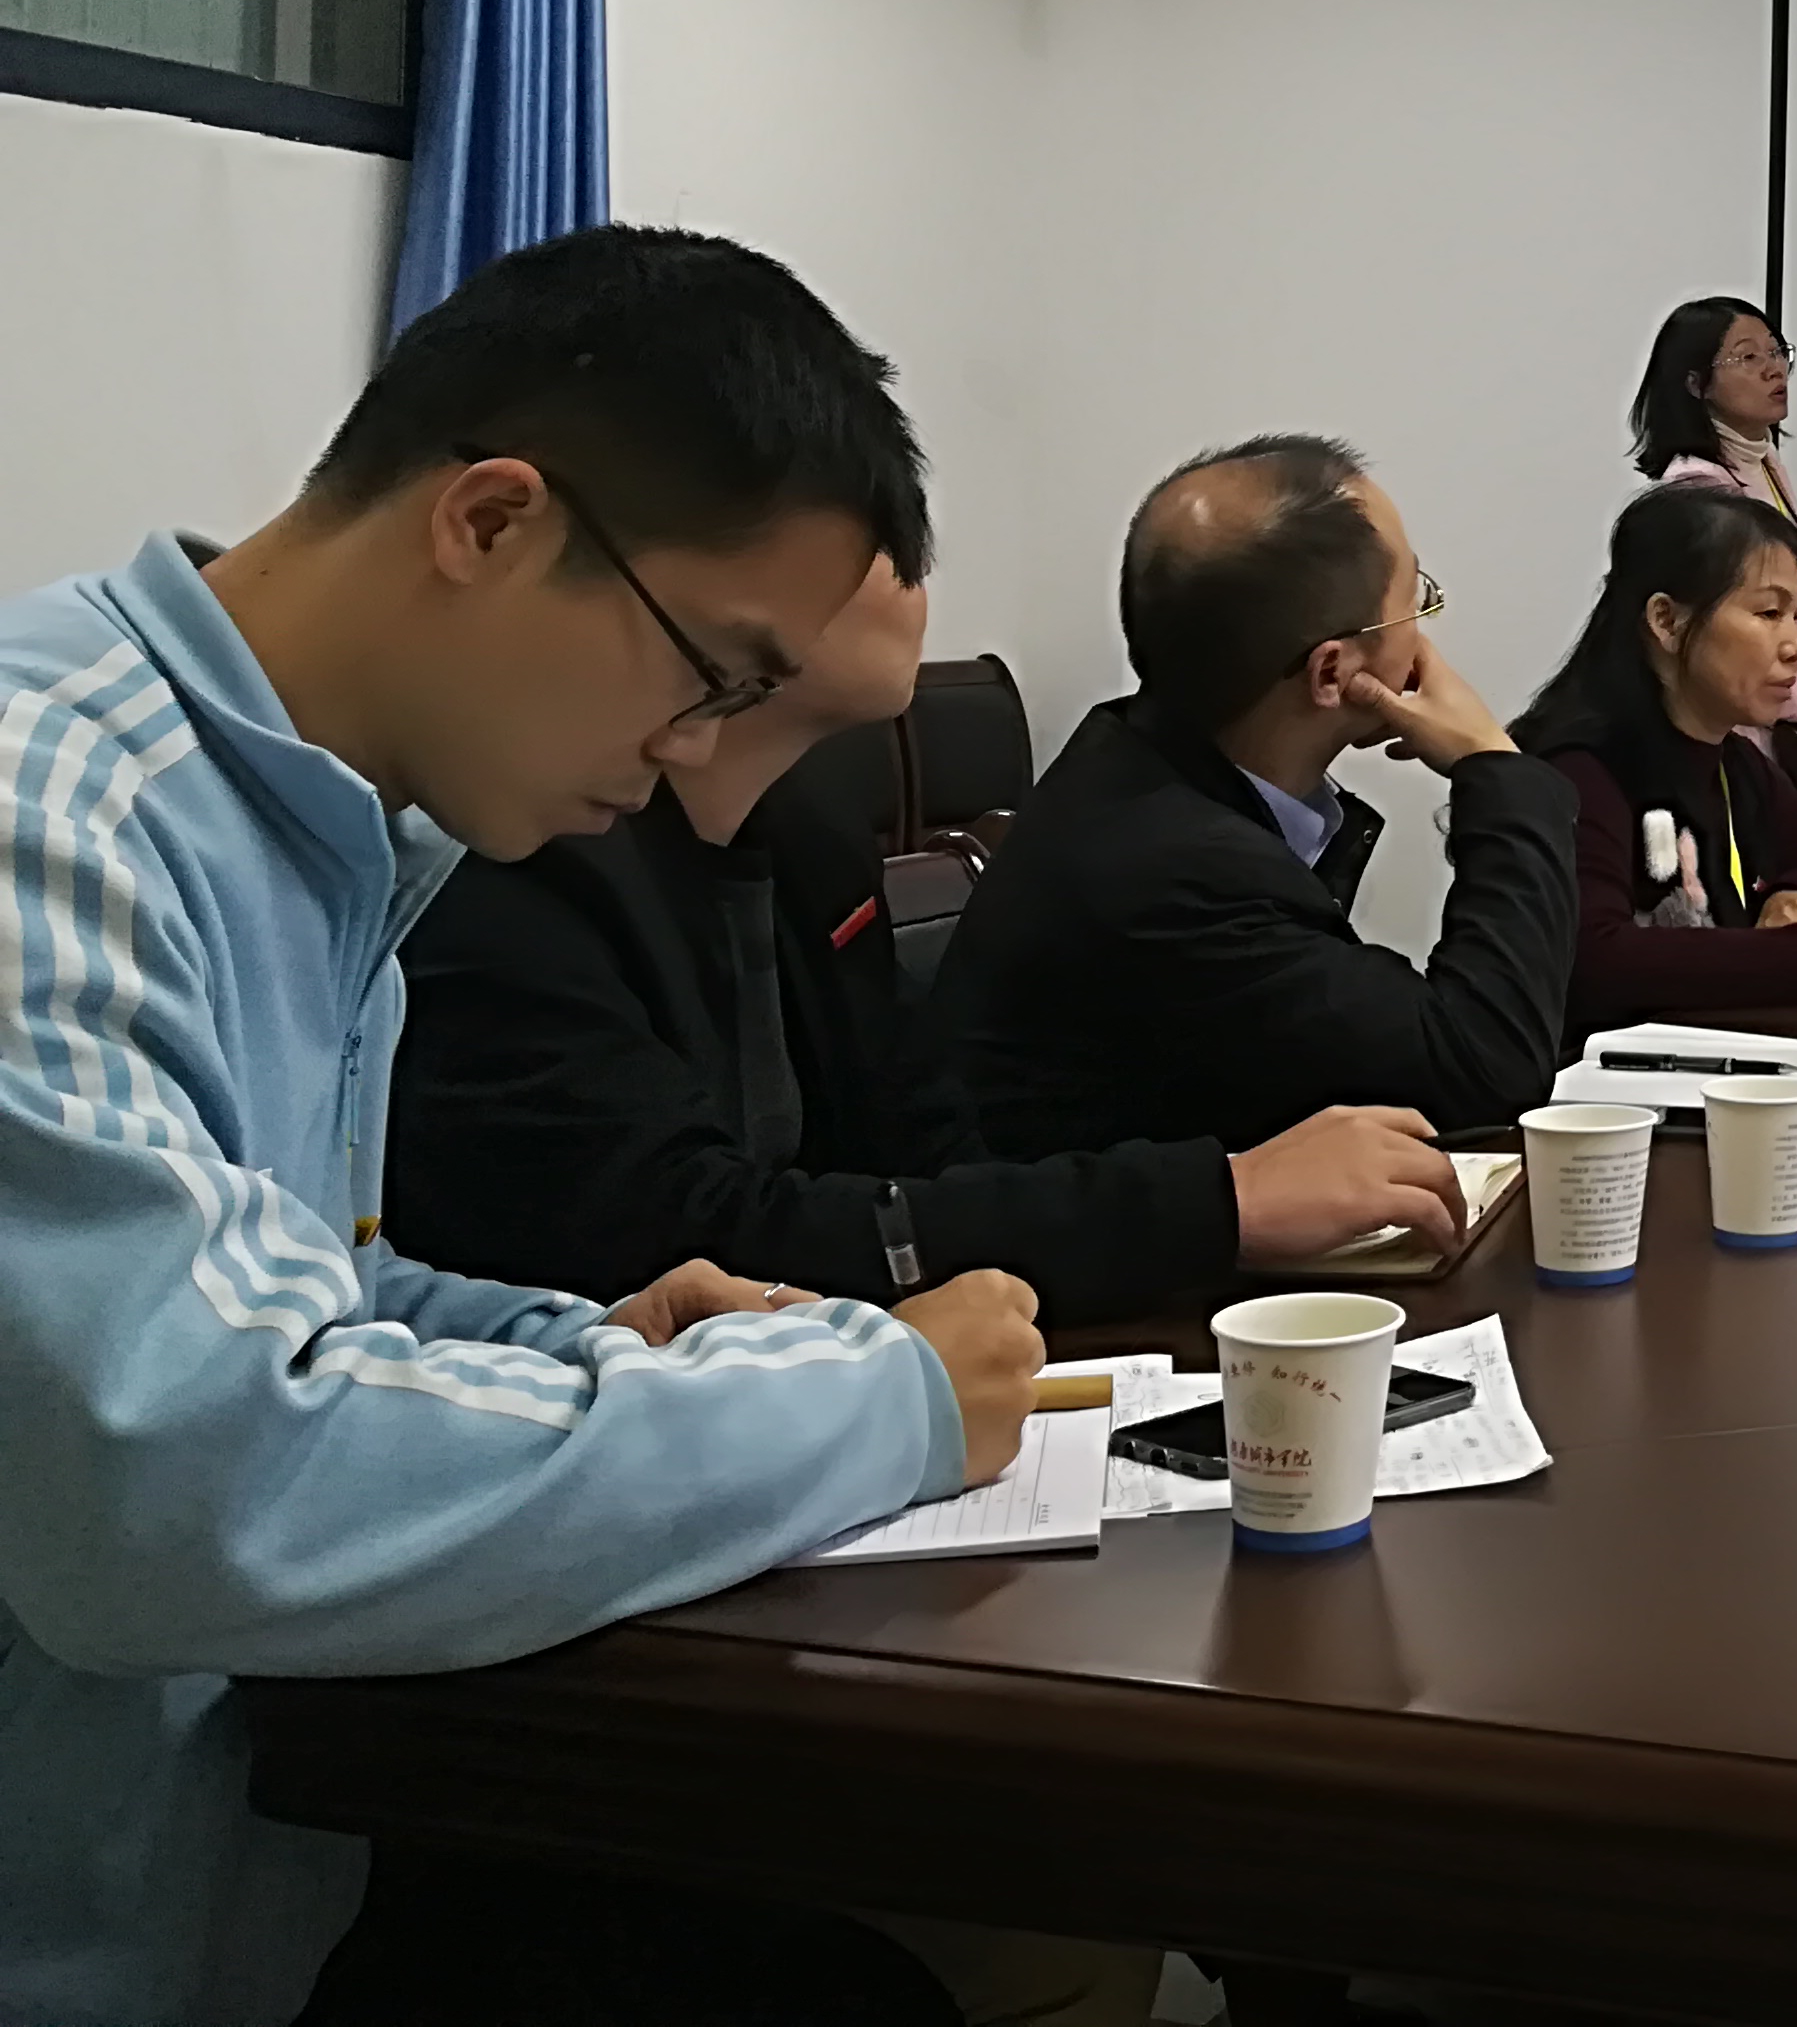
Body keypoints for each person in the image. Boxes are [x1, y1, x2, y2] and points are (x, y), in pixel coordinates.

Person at [0, 225, 1044, 2027]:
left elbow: (305, 1294)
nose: (698, 749)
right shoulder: (54, 823)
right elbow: (189, 1487)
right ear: (491, 522)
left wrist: (583, 1339)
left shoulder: (335, 841)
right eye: (714, 672)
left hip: (251, 1883)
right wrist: (878, 1397)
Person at [388, 550, 1466, 1324]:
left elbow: (921, 1154)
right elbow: (681, 1236)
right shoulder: (509, 853)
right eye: (875, 538)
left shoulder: (806, 819)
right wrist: (1214, 1201)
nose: (916, 572)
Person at [941, 436, 1576, 1158]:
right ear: (1332, 672)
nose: (1425, 631)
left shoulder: (1145, 767)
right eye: (1414, 601)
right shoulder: (1170, 867)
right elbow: (1484, 1072)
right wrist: (1494, 767)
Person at [1519, 485, 1797, 1030]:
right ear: (1667, 621)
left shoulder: (1734, 762)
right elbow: (1593, 960)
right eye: (1769, 612)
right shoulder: (1576, 769)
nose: (1795, 646)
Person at [1632, 296, 1797, 781]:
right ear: (1696, 384)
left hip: (1777, 721)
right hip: (1734, 732)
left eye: (1777, 352)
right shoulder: (1698, 487)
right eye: (1748, 357)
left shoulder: (1766, 463)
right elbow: (1741, 643)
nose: (1774, 369)